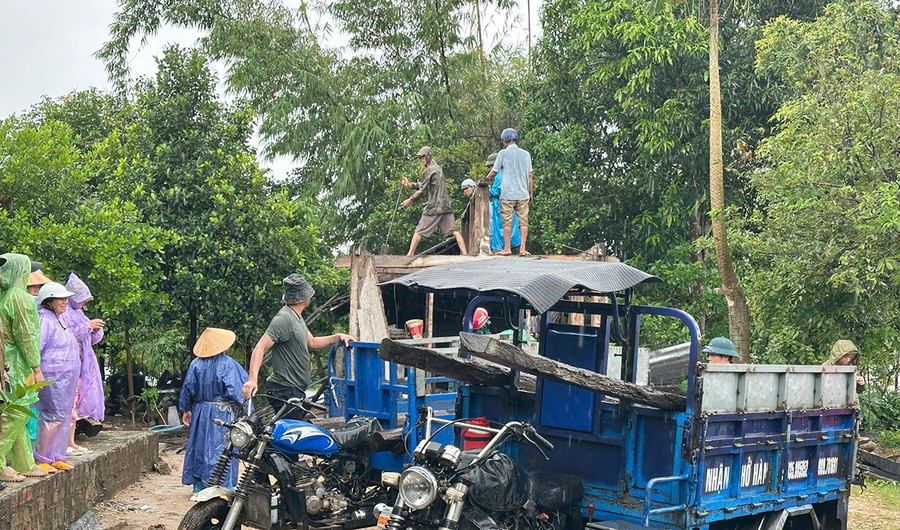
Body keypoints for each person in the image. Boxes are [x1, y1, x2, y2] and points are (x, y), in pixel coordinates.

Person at [242, 274, 354, 418]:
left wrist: (337, 337)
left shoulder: (297, 317)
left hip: (294, 390)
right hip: (284, 389)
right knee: (292, 435)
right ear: (304, 298)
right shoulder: (284, 319)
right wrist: (252, 380)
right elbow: (259, 348)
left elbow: (312, 342)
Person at [180, 327, 248, 493]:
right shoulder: (228, 364)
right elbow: (239, 391)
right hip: (222, 413)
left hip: (201, 412)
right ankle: (224, 485)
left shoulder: (195, 364)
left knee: (199, 446)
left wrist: (186, 410)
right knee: (222, 447)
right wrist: (245, 412)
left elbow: (187, 389)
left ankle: (199, 485)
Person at [0, 254, 49, 480]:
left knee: (17, 413)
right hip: (16, 363)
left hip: (7, 361)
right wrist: (36, 368)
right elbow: (26, 337)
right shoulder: (20, 298)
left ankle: (24, 463)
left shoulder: (5, 296)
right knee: (12, 416)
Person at [34, 281, 81, 472]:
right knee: (52, 415)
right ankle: (42, 457)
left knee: (63, 416)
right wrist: (37, 372)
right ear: (49, 301)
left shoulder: (59, 319)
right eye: (60, 298)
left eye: (65, 298)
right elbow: (37, 347)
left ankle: (56, 456)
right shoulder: (44, 320)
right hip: (53, 375)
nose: (65, 302)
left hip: (66, 377)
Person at [62, 273, 106, 455]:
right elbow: (67, 336)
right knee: (67, 405)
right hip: (69, 363)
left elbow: (89, 339)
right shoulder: (64, 314)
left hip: (83, 364)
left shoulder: (78, 313)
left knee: (76, 404)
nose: (84, 304)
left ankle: (71, 442)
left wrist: (95, 329)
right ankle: (63, 443)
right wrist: (87, 326)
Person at [401, 146, 468, 256]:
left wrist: (410, 199)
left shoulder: (430, 170)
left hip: (434, 206)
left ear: (428, 156)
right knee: (454, 231)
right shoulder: (437, 168)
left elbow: (423, 190)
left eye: (423, 157)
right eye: (420, 158)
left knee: (419, 229)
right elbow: (425, 185)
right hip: (445, 206)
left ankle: (409, 255)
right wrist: (410, 185)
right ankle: (465, 254)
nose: (422, 160)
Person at [484, 129, 533, 256]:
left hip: (508, 195)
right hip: (523, 193)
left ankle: (507, 248)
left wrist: (484, 181)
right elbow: (530, 175)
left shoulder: (503, 154)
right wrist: (530, 193)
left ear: (505, 141)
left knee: (507, 221)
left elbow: (494, 172)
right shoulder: (526, 154)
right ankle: (522, 249)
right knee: (523, 221)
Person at [485, 153, 521, 254]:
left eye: (492, 166)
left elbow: (497, 191)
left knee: (505, 226)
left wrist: (488, 190)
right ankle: (510, 247)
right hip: (504, 205)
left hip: (503, 205)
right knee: (508, 225)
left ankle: (506, 248)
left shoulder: (500, 175)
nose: (491, 168)